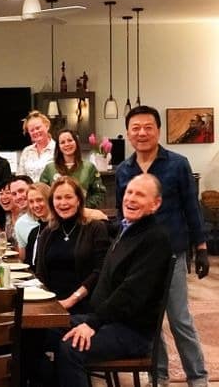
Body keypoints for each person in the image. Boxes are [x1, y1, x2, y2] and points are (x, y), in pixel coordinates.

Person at [115, 105, 209, 387]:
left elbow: (192, 207)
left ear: (157, 130)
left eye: (148, 127)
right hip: (139, 257)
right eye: (136, 128)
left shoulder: (177, 164)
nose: (142, 133)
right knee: (150, 320)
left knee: (179, 319)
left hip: (171, 253)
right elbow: (124, 215)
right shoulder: (124, 169)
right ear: (129, 134)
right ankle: (160, 376)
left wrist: (201, 247)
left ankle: (198, 378)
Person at [55, 174, 173, 387]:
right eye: (129, 192)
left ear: (156, 204)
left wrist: (92, 323)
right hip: (107, 320)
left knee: (71, 349)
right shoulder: (125, 228)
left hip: (132, 332)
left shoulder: (155, 239)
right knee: (39, 332)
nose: (131, 199)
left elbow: (130, 294)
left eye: (140, 195)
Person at [36, 176, 110, 314]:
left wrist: (71, 300)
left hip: (85, 305)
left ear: (79, 200)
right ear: (52, 202)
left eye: (68, 197)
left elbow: (100, 271)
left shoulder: (95, 228)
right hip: (51, 305)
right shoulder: (47, 232)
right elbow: (40, 273)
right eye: (58, 198)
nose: (63, 203)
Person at [40, 129, 106, 208]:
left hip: (83, 215)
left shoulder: (89, 167)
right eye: (62, 142)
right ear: (58, 147)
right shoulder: (49, 169)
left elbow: (99, 192)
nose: (67, 144)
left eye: (70, 140)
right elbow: (42, 193)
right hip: (57, 215)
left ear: (76, 143)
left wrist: (83, 207)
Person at [18, 110, 56, 182]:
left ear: (47, 126)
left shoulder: (57, 149)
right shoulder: (26, 151)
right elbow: (20, 178)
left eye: (38, 128)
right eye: (32, 130)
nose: (35, 132)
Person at [23, 182, 52, 268]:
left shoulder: (59, 229)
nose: (35, 205)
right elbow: (28, 263)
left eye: (39, 200)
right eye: (31, 202)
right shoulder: (34, 232)